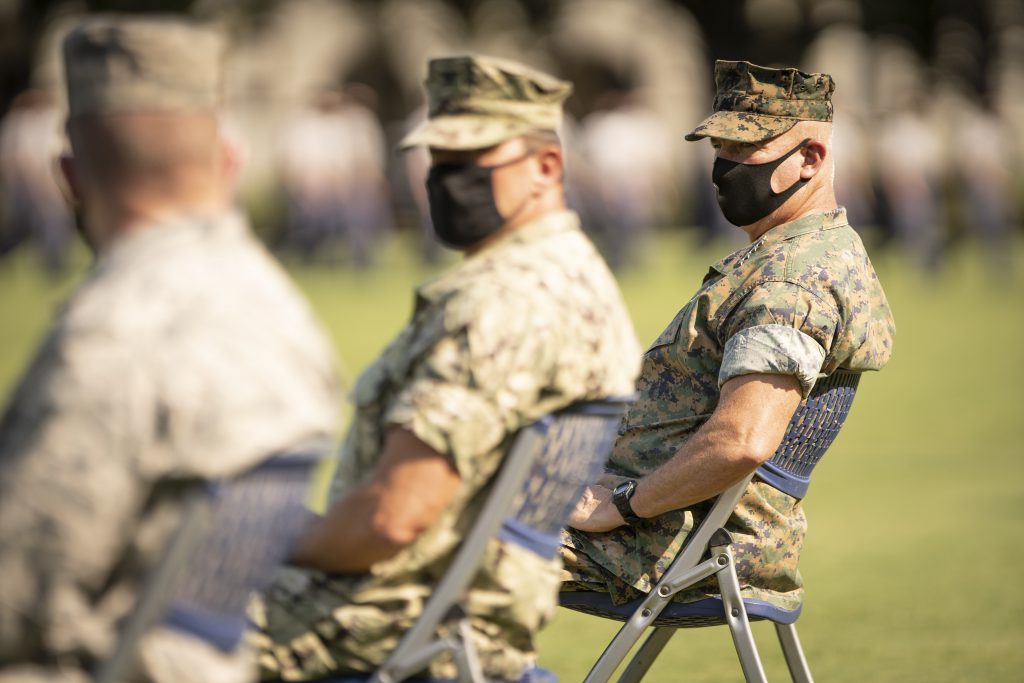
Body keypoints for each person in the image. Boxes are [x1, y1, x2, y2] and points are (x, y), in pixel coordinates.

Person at [253, 55, 641, 682]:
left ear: (546, 167)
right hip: (450, 601)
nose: (446, 181)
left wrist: (270, 545)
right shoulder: (575, 271)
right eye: (438, 162)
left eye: (471, 164)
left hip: (384, 615)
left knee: (140, 626)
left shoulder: (503, 301)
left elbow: (393, 517)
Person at [0, 15, 340, 683]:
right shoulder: (284, 313)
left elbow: (17, 593)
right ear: (229, 160)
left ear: (68, 176)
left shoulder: (112, 338)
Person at [562, 61, 896, 616]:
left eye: (747, 150)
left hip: (667, 547)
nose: (725, 168)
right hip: (668, 528)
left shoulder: (791, 281)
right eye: (720, 148)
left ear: (810, 159)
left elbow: (743, 440)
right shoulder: (800, 253)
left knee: (425, 541)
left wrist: (620, 505)